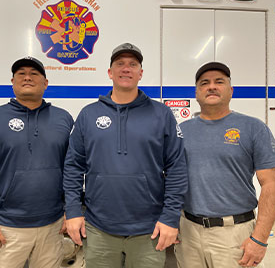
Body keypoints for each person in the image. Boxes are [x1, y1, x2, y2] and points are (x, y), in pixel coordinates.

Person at [63, 43, 188, 267]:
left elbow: (177, 168)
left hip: (148, 230)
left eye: (133, 64)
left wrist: (170, 217)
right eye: (120, 64)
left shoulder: (161, 114)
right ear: (110, 72)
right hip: (99, 228)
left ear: (141, 73)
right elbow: (73, 167)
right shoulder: (88, 114)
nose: (126, 69)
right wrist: (72, 211)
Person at [0, 57, 74, 268]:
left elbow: (73, 169)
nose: (27, 77)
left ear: (46, 83)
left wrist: (72, 209)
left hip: (52, 226)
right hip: (6, 228)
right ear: (12, 82)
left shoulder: (63, 119)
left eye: (34, 74)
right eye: (21, 73)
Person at [176, 62, 275, 268]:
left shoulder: (253, 128)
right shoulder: (181, 131)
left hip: (234, 235)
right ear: (196, 93)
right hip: (188, 232)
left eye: (219, 82)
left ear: (231, 90)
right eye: (204, 83)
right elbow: (170, 178)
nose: (212, 86)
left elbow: (272, 185)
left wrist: (259, 239)